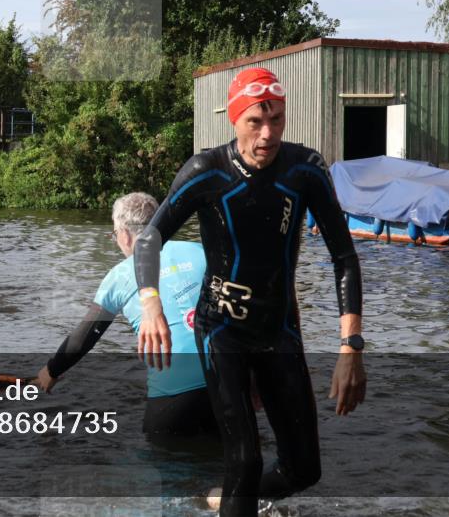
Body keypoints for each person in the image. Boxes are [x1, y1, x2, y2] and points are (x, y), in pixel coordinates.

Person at [132, 67, 366, 516]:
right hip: (221, 328)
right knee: (244, 457)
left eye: (276, 120)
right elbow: (149, 238)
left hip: (277, 328)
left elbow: (344, 257)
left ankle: (229, 502)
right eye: (255, 122)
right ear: (234, 121)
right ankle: (236, 497)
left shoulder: (305, 170)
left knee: (304, 469)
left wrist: (350, 345)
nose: (267, 134)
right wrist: (150, 303)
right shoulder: (207, 170)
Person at [35, 192, 214, 435]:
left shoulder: (120, 275)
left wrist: (51, 371)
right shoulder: (201, 251)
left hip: (174, 396)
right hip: (229, 383)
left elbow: (85, 336)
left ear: (125, 234)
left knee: (165, 462)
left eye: (114, 234)